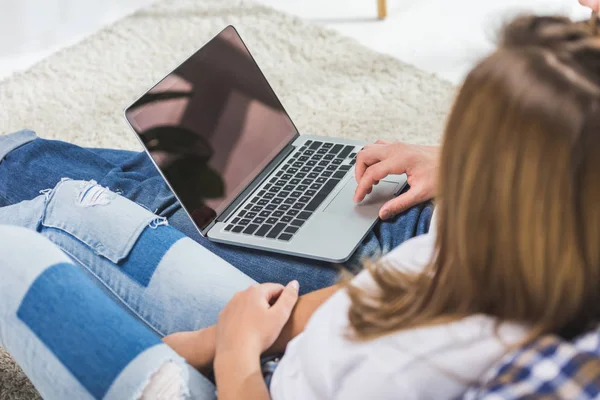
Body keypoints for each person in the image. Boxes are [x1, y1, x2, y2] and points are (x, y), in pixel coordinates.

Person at [1, 7, 600, 400]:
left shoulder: (532, 366)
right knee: (81, 209)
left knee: (22, 248)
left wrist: (233, 355)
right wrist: (210, 339)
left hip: (245, 383)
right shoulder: (512, 247)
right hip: (267, 340)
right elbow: (381, 290)